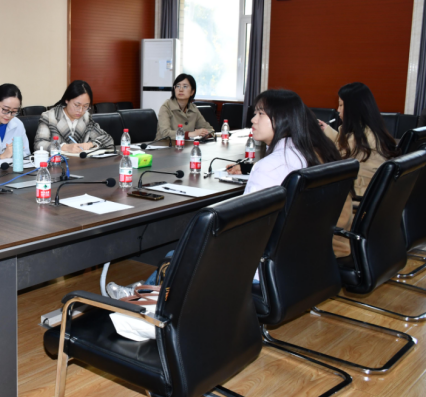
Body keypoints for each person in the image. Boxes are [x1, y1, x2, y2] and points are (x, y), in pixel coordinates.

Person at [106, 89, 340, 299]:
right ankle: (145, 292)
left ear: (281, 119)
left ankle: (142, 299)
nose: (253, 119)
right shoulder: (303, 155)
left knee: (181, 252)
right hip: (294, 262)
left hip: (255, 266)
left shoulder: (269, 167)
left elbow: (249, 227)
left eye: (260, 114)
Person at [318, 82, 399, 256]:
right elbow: (348, 150)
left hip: (358, 205)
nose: (338, 110)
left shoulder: (359, 140)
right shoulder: (371, 132)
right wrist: (330, 132)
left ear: (353, 109)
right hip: (374, 204)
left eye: (341, 105)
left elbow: (338, 163)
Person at [34, 80, 113, 153]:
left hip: (82, 162)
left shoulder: (86, 118)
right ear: (67, 100)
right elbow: (38, 145)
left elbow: (108, 139)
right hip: (58, 162)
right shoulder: (49, 117)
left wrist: (91, 144)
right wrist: (64, 147)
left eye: (85, 106)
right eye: (77, 105)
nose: (80, 110)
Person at [155, 74, 216, 141]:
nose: (180, 89)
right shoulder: (166, 106)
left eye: (185, 86)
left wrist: (206, 134)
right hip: (164, 145)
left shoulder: (193, 108)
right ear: (174, 89)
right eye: (178, 86)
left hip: (185, 146)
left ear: (192, 92)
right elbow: (165, 133)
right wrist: (191, 134)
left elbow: (209, 129)